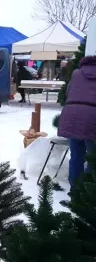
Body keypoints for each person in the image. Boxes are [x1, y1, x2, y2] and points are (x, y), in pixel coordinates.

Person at [58, 55, 96, 193]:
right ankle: (88, 192)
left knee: (76, 157)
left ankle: (75, 190)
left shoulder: (76, 73)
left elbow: (69, 93)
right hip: (92, 117)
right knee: (93, 158)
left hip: (72, 115)